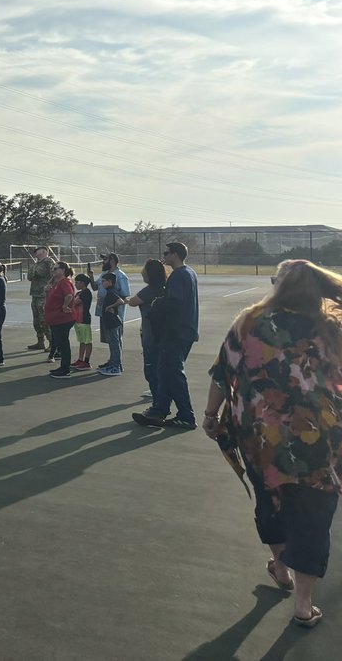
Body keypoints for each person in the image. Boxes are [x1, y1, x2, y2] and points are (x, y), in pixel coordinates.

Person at [203, 259, 342, 629]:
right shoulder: (332, 324)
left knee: (271, 501)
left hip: (261, 438)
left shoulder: (249, 322)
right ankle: (303, 604)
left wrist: (210, 415)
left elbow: (222, 374)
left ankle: (281, 567)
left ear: (278, 286)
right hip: (320, 440)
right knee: (315, 516)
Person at [133, 242, 200, 428]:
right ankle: (159, 411)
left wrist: (157, 306)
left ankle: (186, 416)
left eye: (166, 253)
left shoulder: (178, 275)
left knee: (173, 373)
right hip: (184, 331)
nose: (164, 256)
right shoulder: (189, 273)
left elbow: (174, 303)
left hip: (176, 332)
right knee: (165, 372)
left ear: (175, 255)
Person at [126, 259, 169, 400]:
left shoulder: (149, 290)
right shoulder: (166, 287)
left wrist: (124, 300)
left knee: (151, 369)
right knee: (161, 367)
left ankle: (158, 399)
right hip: (164, 334)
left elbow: (133, 302)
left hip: (151, 335)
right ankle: (161, 395)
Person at [45, 261, 78, 379]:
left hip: (63, 318)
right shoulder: (57, 283)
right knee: (61, 343)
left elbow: (69, 295)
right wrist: (47, 290)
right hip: (56, 318)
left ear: (63, 270)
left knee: (63, 343)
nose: (53, 271)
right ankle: (63, 367)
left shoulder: (65, 282)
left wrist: (65, 306)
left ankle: (65, 369)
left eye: (55, 269)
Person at [97, 271, 125, 376]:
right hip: (109, 321)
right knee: (113, 343)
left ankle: (116, 366)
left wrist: (110, 306)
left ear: (109, 282)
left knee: (114, 344)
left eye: (104, 281)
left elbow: (121, 301)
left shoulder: (111, 291)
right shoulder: (110, 291)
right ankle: (114, 363)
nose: (102, 283)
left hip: (112, 321)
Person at [27, 246, 55, 352]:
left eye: (37, 251)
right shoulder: (36, 264)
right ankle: (40, 341)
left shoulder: (49, 262)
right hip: (35, 294)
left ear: (44, 252)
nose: (35, 253)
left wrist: (49, 286)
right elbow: (30, 277)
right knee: (36, 321)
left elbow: (52, 276)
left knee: (44, 321)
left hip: (44, 295)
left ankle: (52, 343)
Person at [71, 274, 95, 371]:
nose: (75, 284)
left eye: (77, 282)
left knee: (87, 341)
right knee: (82, 341)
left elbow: (74, 303)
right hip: (78, 320)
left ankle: (87, 362)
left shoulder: (86, 293)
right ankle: (80, 359)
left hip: (84, 320)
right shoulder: (79, 293)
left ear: (82, 283)